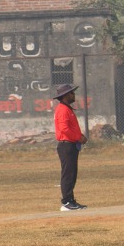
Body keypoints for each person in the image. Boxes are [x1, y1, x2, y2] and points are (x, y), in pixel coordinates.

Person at [53, 83, 87, 211]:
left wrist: (80, 136)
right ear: (66, 95)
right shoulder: (63, 109)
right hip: (66, 145)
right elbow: (64, 129)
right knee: (68, 174)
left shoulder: (67, 109)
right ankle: (66, 202)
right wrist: (78, 137)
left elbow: (71, 128)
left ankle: (71, 200)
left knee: (72, 173)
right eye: (72, 93)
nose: (74, 95)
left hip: (71, 144)